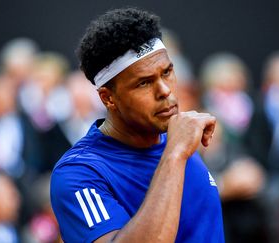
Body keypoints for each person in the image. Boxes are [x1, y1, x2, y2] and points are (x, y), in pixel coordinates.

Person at [50, 7, 223, 243]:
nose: (165, 90)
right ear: (108, 98)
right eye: (144, 83)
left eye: (167, 72)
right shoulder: (78, 173)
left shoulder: (178, 137)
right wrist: (174, 154)